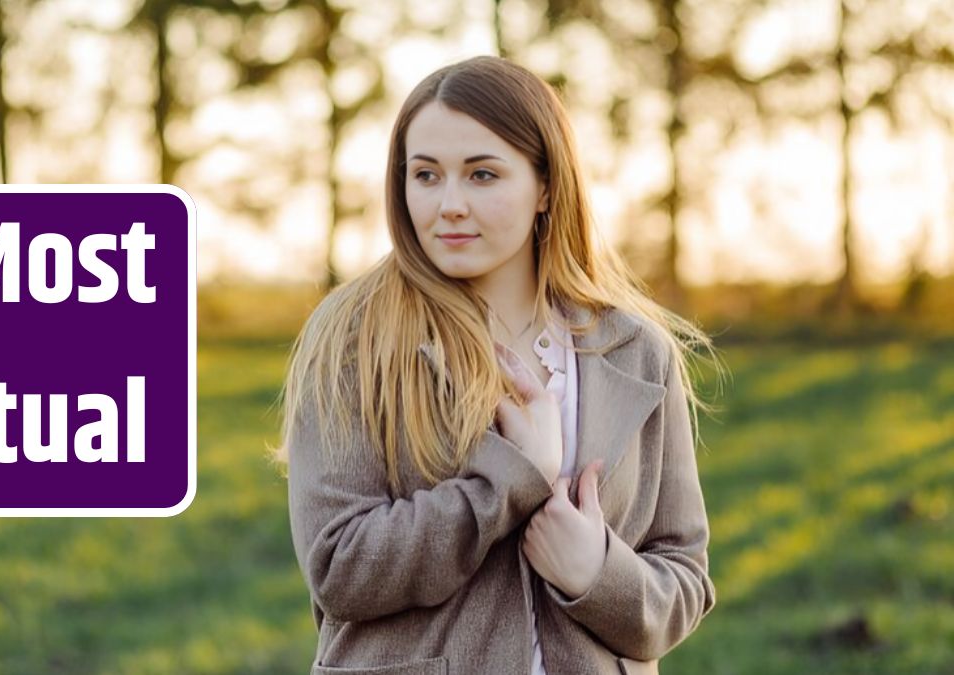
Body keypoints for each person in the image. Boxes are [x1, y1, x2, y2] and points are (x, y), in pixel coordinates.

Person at [278, 55, 719, 675]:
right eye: (425, 175)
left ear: (545, 186)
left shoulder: (637, 351)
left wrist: (595, 569)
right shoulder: (355, 339)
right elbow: (339, 565)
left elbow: (684, 583)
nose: (449, 204)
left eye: (482, 175)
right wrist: (506, 484)